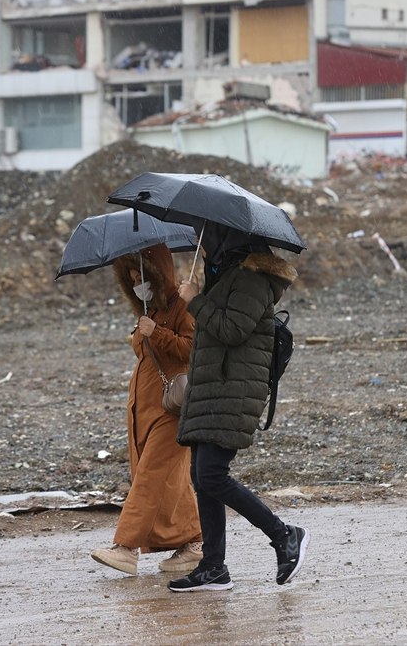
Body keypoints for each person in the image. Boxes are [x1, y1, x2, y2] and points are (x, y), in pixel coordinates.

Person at [167, 224, 309, 592]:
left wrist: (195, 301)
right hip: (213, 389)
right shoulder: (225, 275)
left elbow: (232, 329)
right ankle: (214, 567)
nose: (206, 244)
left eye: (211, 237)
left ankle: (285, 535)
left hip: (233, 391)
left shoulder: (252, 279)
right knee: (203, 478)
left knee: (212, 475)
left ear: (229, 240)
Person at [90, 244, 204, 576]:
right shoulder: (148, 310)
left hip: (172, 407)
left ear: (160, 273)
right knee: (169, 478)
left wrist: (159, 334)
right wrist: (144, 333)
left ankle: (125, 548)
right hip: (144, 409)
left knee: (152, 475)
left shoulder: (184, 306)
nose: (138, 281)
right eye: (131, 277)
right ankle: (194, 542)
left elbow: (192, 349)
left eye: (142, 274)